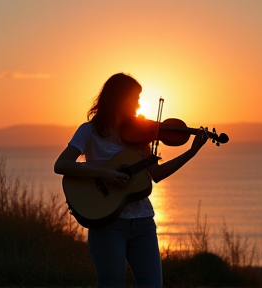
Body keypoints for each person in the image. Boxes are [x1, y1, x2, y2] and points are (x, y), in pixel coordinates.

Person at [54, 73, 208, 288]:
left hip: (143, 222)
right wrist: (105, 173)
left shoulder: (139, 134)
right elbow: (61, 165)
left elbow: (157, 174)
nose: (138, 104)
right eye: (135, 98)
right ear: (119, 98)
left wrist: (191, 152)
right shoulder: (88, 131)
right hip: (107, 224)